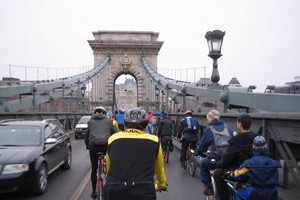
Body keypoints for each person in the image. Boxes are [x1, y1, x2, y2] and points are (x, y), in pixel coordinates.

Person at [104, 108, 167, 200]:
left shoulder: (113, 139)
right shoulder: (154, 141)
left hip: (115, 189)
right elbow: (159, 168)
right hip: (144, 191)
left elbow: (109, 166)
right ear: (145, 127)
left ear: (125, 126)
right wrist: (161, 184)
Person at [214, 113, 258, 200]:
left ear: (240, 125)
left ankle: (224, 198)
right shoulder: (256, 138)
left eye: (237, 123)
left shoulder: (235, 140)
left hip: (238, 171)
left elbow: (227, 159)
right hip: (254, 170)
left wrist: (218, 164)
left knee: (218, 174)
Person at [224, 135, 281, 200]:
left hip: (254, 192)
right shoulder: (274, 164)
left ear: (254, 148)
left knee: (239, 194)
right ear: (266, 148)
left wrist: (229, 174)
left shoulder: (249, 164)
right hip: (272, 193)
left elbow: (237, 175)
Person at [197, 109, 235, 195]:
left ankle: (209, 187)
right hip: (228, 159)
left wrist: (198, 152)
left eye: (208, 119)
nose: (207, 121)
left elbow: (202, 146)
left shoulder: (209, 130)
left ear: (210, 119)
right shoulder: (228, 128)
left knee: (204, 164)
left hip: (216, 158)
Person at [85, 106, 117, 199]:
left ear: (95, 113)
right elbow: (114, 133)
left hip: (93, 147)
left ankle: (94, 192)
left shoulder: (90, 122)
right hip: (105, 146)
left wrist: (87, 144)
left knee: (94, 169)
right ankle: (109, 185)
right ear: (104, 113)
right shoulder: (109, 121)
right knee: (110, 167)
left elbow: (87, 136)